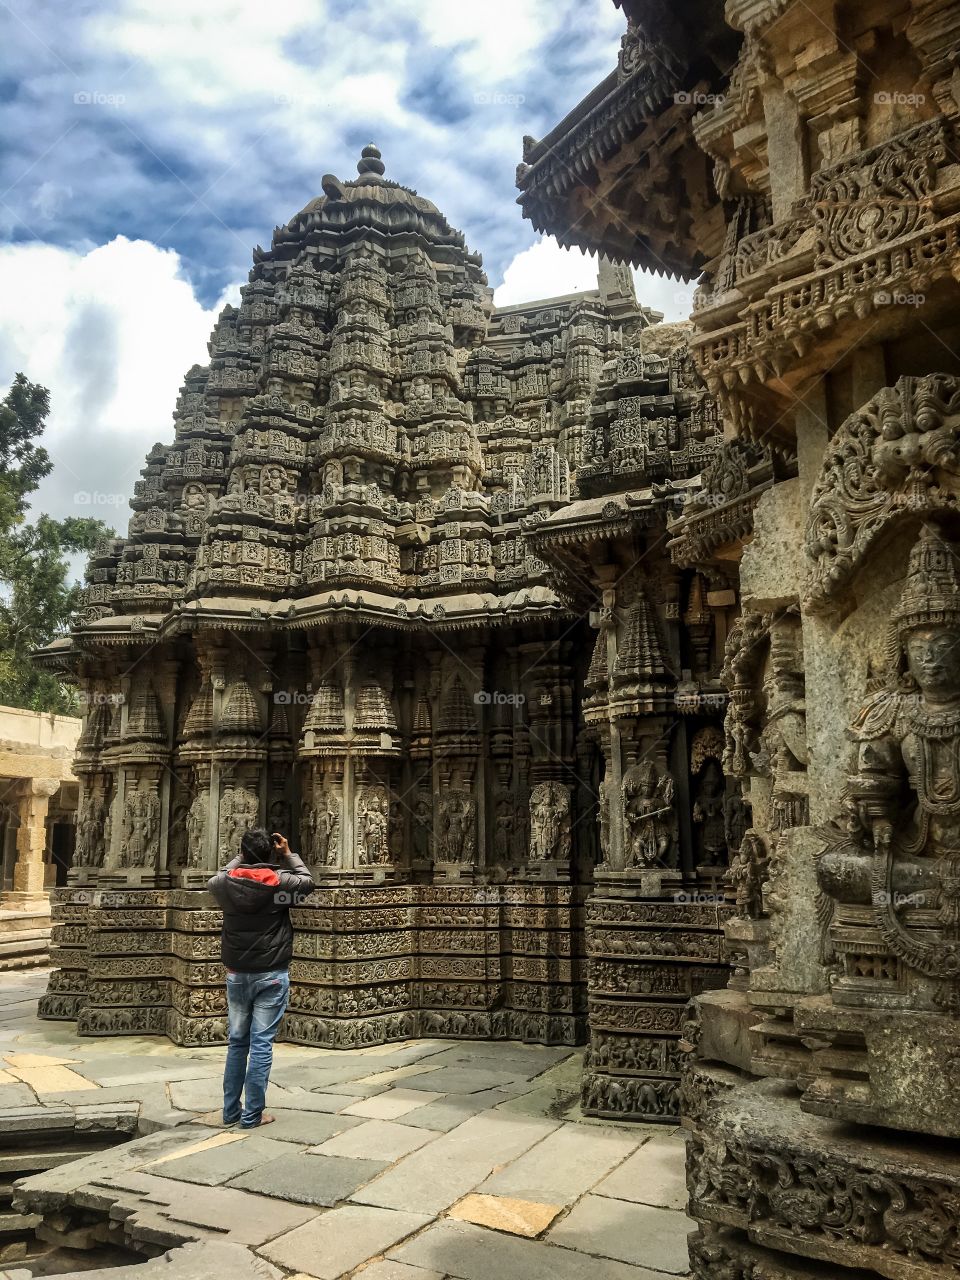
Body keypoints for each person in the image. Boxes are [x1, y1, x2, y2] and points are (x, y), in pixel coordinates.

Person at [206, 827, 314, 1128]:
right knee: (262, 1043)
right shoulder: (278, 885)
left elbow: (215, 877)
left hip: (238, 974)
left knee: (237, 1042)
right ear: (271, 852)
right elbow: (307, 882)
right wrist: (288, 854)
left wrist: (242, 855)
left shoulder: (225, 884)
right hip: (271, 973)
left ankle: (230, 1112)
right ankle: (252, 1115)